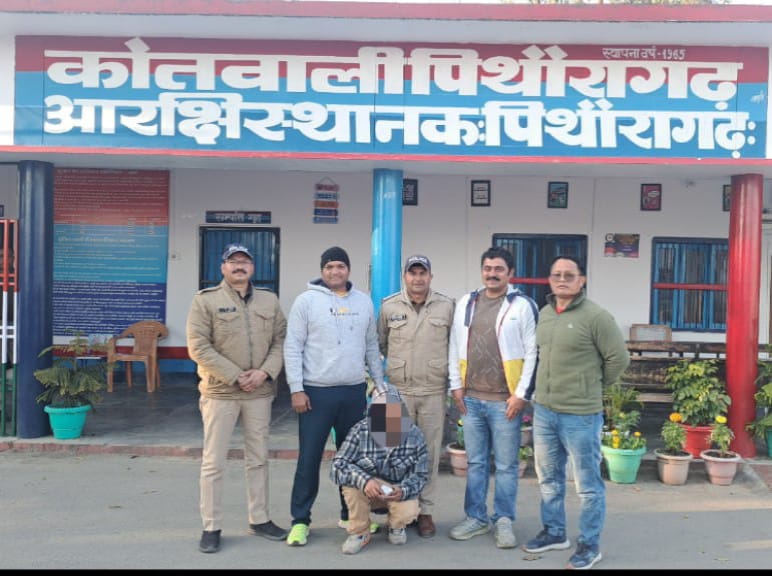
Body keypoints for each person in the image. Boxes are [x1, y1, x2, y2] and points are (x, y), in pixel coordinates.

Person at [522, 255, 630, 570]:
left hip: (581, 415)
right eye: (556, 274)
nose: (562, 279)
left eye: (569, 275)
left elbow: (618, 359)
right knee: (548, 478)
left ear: (582, 280)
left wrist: (592, 386)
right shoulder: (544, 314)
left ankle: (589, 544)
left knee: (587, 485)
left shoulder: (597, 317)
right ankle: (554, 532)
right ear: (549, 279)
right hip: (545, 411)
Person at [186, 243, 288, 554]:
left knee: (258, 458)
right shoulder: (205, 300)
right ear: (223, 268)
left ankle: (259, 518)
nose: (239, 266)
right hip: (220, 393)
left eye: (245, 261)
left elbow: (281, 340)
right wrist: (236, 375)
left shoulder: (270, 300)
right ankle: (211, 526)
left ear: (253, 268)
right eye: (233, 261)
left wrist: (264, 372)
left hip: (259, 392)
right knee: (214, 462)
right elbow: (198, 346)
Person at [283, 246, 385, 547]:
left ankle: (350, 516)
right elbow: (293, 346)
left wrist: (378, 384)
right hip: (316, 393)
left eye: (340, 266)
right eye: (329, 266)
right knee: (309, 458)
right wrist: (296, 388)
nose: (335, 271)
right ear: (322, 271)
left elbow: (371, 346)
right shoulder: (306, 301)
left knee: (351, 459)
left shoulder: (363, 302)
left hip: (353, 392)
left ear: (348, 270)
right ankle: (300, 521)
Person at [447, 246, 538, 549]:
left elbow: (532, 352)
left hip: (505, 402)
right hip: (471, 399)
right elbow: (455, 345)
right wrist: (455, 385)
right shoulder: (467, 302)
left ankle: (503, 520)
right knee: (475, 463)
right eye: (487, 268)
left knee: (507, 465)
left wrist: (521, 395)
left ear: (510, 273)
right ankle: (476, 517)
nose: (492, 274)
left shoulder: (523, 306)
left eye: (498, 269)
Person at [377, 253, 454, 538]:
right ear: (405, 276)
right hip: (398, 391)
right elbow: (381, 344)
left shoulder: (447, 306)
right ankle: (399, 509)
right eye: (413, 273)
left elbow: (454, 345)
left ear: (430, 276)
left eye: (423, 273)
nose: (418, 278)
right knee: (394, 451)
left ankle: (425, 511)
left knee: (429, 454)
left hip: (433, 391)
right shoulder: (389, 306)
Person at [330, 384, 429, 554]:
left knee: (409, 510)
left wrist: (403, 490)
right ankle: (360, 532)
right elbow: (337, 466)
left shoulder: (415, 435)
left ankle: (396, 526)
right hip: (368, 490)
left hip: (396, 490)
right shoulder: (360, 430)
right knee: (350, 486)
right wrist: (365, 481)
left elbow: (420, 475)